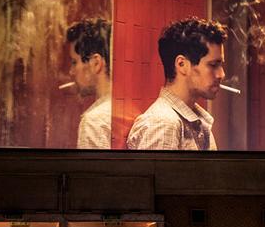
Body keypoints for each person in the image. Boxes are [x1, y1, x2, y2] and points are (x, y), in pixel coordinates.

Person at [126, 17, 227, 150]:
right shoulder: (163, 124)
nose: (221, 74)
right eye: (213, 65)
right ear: (181, 65)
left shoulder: (196, 123)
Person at [66, 18, 112, 149]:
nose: (71, 72)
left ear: (96, 63)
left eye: (74, 62)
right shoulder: (126, 107)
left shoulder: (94, 122)